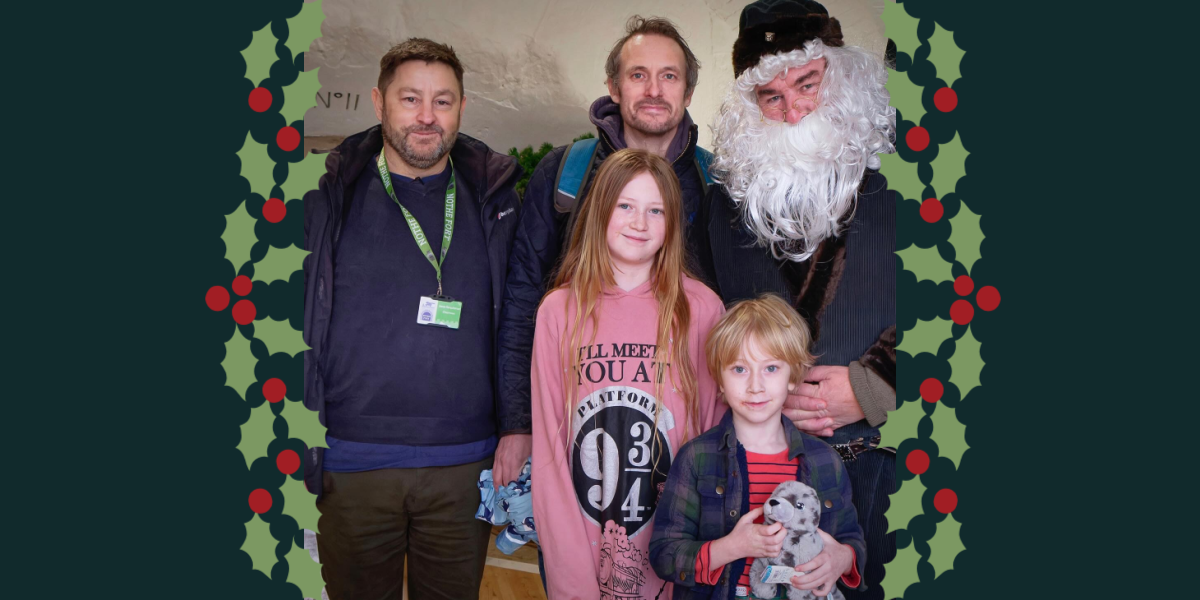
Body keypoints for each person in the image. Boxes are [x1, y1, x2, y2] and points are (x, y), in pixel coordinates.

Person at [301, 38, 523, 600]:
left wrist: (516, 426)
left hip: (463, 465)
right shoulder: (330, 197)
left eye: (443, 101)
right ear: (379, 104)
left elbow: (521, 322)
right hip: (351, 462)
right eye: (410, 99)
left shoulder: (497, 202)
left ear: (462, 109)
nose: (426, 116)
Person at [693, 2, 897, 598]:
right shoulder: (723, 206)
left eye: (807, 83)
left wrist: (875, 382)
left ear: (841, 76)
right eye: (771, 97)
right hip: (765, 484)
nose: (794, 109)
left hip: (890, 470)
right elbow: (708, 328)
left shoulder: (914, 180)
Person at [493, 15, 713, 495]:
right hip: (576, 432)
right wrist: (517, 423)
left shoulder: (717, 183)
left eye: (669, 76)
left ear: (689, 92)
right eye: (638, 75)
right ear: (613, 86)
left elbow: (733, 320)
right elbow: (523, 301)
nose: (654, 89)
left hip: (686, 443)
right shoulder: (564, 174)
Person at [530, 149, 726, 600]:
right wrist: (572, 578)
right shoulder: (559, 310)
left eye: (655, 210)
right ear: (600, 210)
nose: (640, 222)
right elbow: (550, 458)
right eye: (626, 206)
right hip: (583, 544)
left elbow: (714, 440)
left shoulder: (702, 309)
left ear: (673, 222)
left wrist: (697, 554)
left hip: (677, 551)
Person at [649, 294, 866, 599]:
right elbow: (664, 554)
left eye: (771, 368)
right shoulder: (697, 459)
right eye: (739, 369)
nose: (755, 385)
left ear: (793, 376)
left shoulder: (824, 461)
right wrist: (731, 547)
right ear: (720, 380)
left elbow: (851, 540)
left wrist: (841, 560)